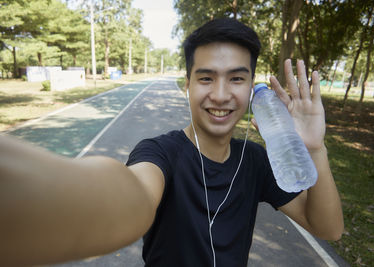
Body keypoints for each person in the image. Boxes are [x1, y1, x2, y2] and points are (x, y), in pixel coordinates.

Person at [0, 18, 343, 267]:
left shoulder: (253, 160)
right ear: (188, 85)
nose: (221, 95)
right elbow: (130, 196)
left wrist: (315, 148)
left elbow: (327, 228)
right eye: (206, 78)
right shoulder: (159, 154)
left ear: (251, 86)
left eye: (236, 79)